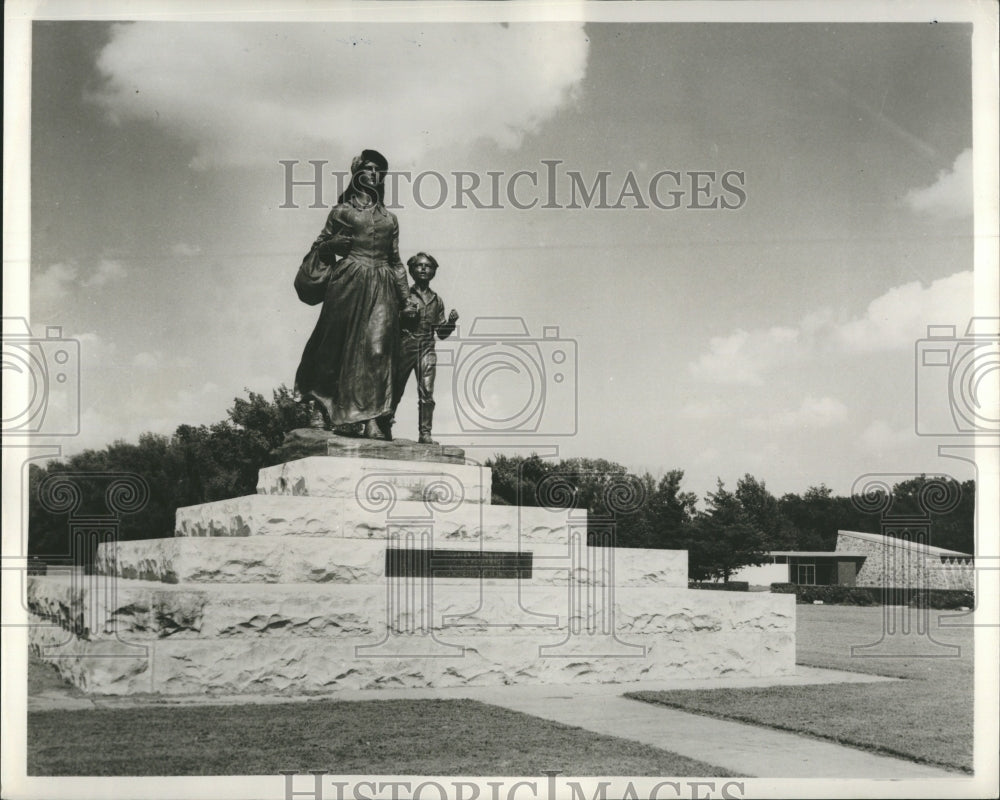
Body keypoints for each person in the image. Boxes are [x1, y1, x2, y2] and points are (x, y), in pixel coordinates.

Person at [294, 149, 409, 440]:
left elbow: (395, 261)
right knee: (333, 344)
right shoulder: (341, 212)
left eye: (380, 170)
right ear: (358, 172)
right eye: (369, 168)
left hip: (381, 284)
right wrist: (332, 245)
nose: (375, 174)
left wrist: (406, 300)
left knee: (378, 350)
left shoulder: (390, 219)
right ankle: (320, 407)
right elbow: (320, 245)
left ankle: (370, 417)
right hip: (348, 281)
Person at [392, 252, 459, 444]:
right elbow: (389, 322)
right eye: (419, 265)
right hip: (406, 345)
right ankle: (385, 425)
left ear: (433, 272)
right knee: (396, 388)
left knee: (427, 391)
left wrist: (451, 323)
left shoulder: (437, 300)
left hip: (427, 347)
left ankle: (425, 433)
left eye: (427, 266)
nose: (423, 268)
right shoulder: (404, 296)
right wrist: (402, 315)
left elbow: (441, 333)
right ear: (411, 270)